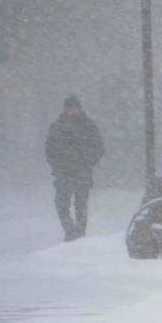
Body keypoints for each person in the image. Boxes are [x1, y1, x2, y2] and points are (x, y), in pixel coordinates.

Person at [44, 95, 105, 241]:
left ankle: (79, 233)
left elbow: (98, 148)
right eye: (70, 109)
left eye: (74, 108)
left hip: (81, 172)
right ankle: (71, 231)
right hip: (64, 172)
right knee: (62, 205)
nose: (72, 111)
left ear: (79, 109)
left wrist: (86, 162)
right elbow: (49, 150)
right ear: (65, 109)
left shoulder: (89, 127)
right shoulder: (57, 127)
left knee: (80, 205)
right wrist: (58, 165)